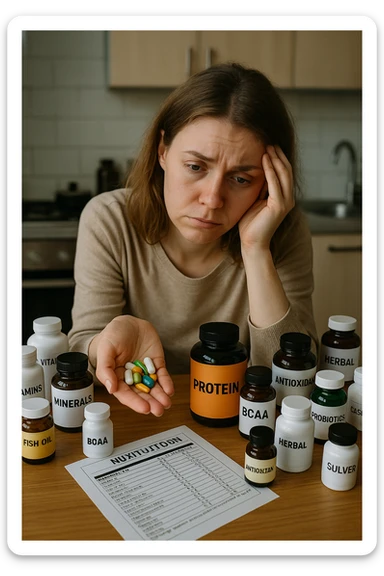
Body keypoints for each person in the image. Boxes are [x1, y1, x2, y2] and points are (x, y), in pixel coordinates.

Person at [68, 62, 318, 418]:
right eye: (196, 167)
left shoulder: (284, 231)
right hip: (136, 418)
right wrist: (102, 343)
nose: (213, 199)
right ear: (163, 151)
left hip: (241, 423)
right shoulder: (108, 219)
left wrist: (256, 250)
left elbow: (294, 379)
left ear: (267, 182)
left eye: (241, 179)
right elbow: (82, 345)